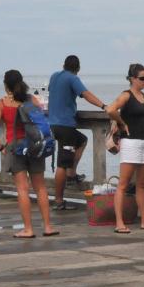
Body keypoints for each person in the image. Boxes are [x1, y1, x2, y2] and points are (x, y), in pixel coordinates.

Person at [0, 70, 56, 238]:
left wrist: (0, 147)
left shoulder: (2, 104)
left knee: (23, 189)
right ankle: (47, 227)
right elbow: (41, 120)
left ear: (5, 85)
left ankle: (28, 229)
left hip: (15, 147)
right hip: (34, 145)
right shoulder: (31, 99)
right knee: (40, 187)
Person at [107, 63, 144, 234]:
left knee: (142, 184)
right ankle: (119, 222)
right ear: (132, 78)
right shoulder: (126, 95)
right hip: (130, 142)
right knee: (123, 184)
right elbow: (111, 109)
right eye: (142, 78)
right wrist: (122, 123)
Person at [47, 55, 106, 209]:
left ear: (63, 65)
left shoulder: (54, 76)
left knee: (81, 140)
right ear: (78, 69)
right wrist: (103, 106)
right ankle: (59, 201)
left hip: (53, 123)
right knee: (62, 164)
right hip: (65, 126)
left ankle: (72, 174)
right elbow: (86, 94)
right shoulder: (73, 79)